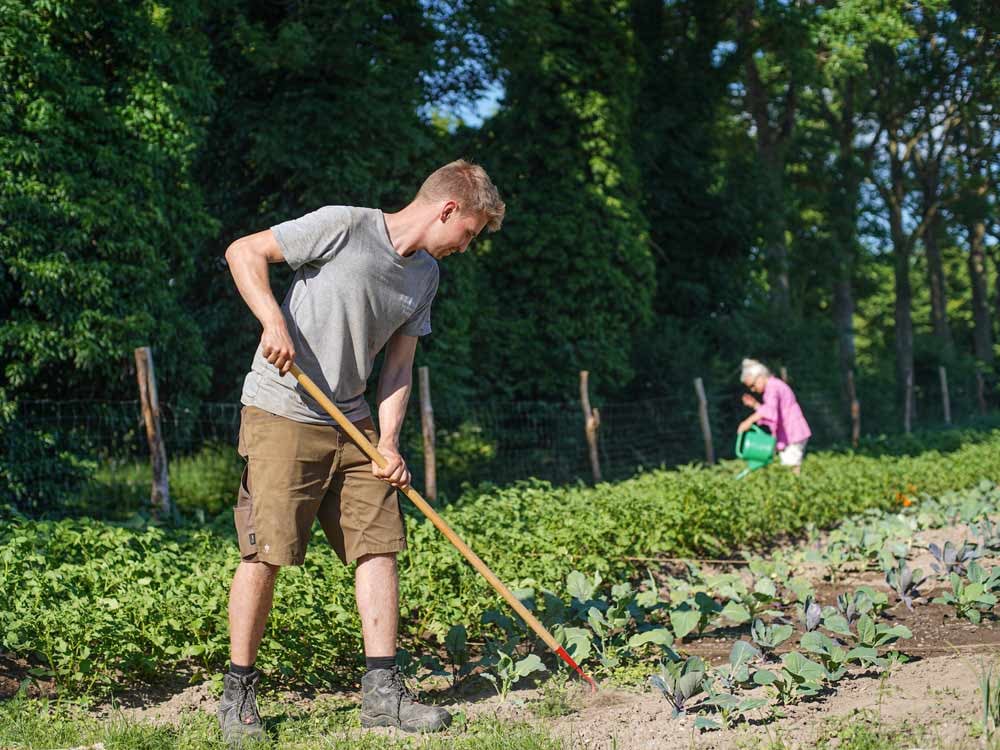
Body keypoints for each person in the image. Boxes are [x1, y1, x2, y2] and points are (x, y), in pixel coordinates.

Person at [217, 160, 505, 744]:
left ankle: (382, 694)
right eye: (468, 233)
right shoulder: (343, 225)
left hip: (353, 421)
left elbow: (399, 365)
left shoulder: (424, 277)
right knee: (266, 550)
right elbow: (242, 252)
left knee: (379, 545)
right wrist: (273, 320)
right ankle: (237, 693)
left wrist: (389, 442)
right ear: (447, 209)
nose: (465, 246)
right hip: (283, 408)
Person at [737, 358, 812, 475]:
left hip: (792, 432)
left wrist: (748, 421)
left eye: (753, 385)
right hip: (790, 433)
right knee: (789, 465)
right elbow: (771, 410)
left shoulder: (772, 387)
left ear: (760, 377)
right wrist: (756, 405)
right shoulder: (773, 386)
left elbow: (770, 411)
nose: (753, 390)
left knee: (790, 466)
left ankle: (795, 489)